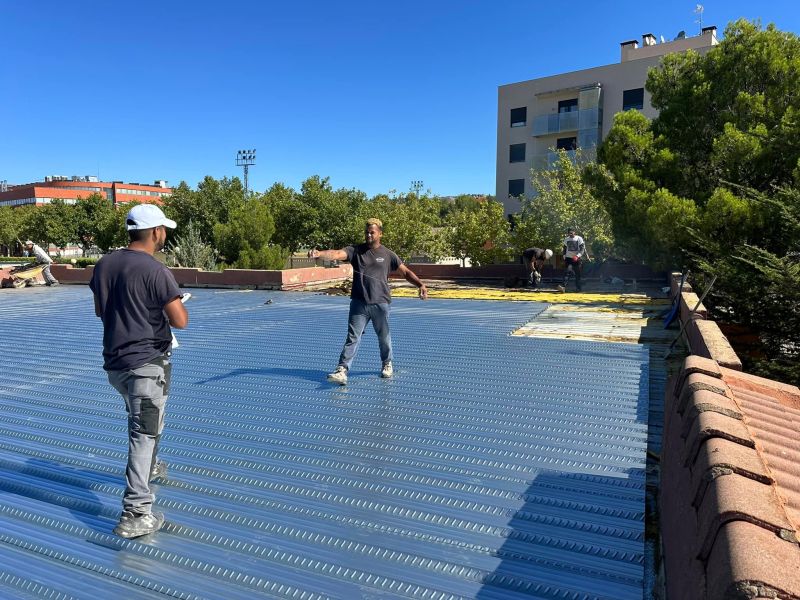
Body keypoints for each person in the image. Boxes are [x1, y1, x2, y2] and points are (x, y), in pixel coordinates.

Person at [89, 204, 188, 539]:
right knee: (143, 433)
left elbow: (101, 309)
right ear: (156, 232)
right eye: (164, 231)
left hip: (116, 364)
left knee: (145, 421)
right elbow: (180, 321)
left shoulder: (104, 264)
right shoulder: (155, 270)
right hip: (146, 364)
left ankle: (151, 467)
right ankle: (135, 513)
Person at [308, 218, 427, 385]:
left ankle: (387, 364)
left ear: (380, 234)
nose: (369, 235)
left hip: (381, 303)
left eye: (372, 232)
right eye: (367, 232)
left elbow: (405, 272)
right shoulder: (355, 250)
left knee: (383, 336)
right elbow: (336, 254)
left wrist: (420, 284)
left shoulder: (388, 254)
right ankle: (342, 370)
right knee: (352, 337)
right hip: (359, 304)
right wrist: (319, 254)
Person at [562, 226, 586, 292]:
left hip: (576, 259)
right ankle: (563, 287)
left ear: (574, 232)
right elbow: (564, 248)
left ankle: (578, 288)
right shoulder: (566, 239)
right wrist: (564, 255)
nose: (570, 234)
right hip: (568, 258)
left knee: (577, 274)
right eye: (569, 233)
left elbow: (582, 249)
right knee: (566, 272)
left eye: (571, 233)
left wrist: (577, 256)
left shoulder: (579, 239)